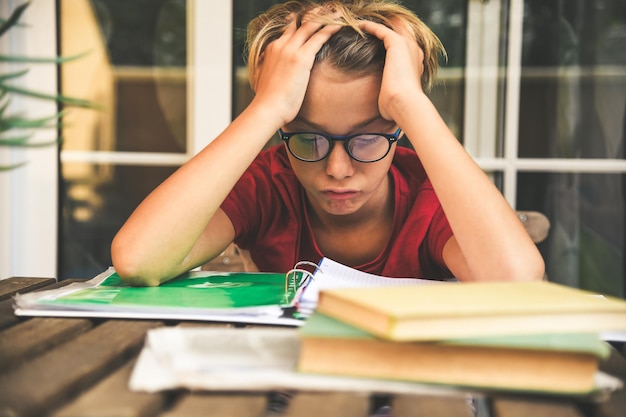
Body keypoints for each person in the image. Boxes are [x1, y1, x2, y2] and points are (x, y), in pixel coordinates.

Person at [111, 0, 545, 286]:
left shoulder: (431, 197)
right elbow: (138, 259)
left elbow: (518, 284)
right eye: (307, 137)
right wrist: (267, 108)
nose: (337, 169)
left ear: (400, 127)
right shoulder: (269, 184)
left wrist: (412, 101)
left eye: (369, 137)